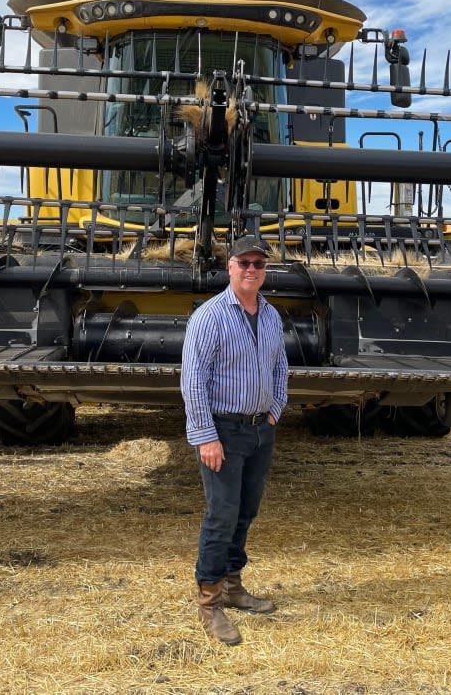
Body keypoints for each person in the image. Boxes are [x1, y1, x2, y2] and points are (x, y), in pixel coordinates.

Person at [181, 235, 289, 646]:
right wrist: (206, 436)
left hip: (261, 430)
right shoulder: (209, 317)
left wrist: (276, 408)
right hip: (223, 431)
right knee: (221, 515)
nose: (251, 270)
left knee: (246, 511)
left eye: (258, 264)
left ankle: (233, 585)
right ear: (229, 267)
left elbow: (280, 366)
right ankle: (209, 603)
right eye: (244, 262)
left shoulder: (271, 315)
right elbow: (193, 380)